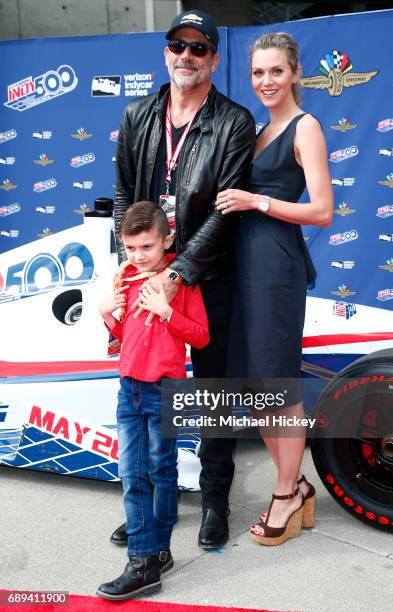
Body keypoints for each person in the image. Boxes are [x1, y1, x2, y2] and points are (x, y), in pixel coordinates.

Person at [111, 9, 256, 550]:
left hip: (207, 276)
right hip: (147, 279)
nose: (187, 57)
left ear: (214, 59)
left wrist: (178, 275)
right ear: (166, 52)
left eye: (199, 48)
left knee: (212, 393)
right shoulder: (137, 115)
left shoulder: (234, 121)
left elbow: (226, 211)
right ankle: (152, 506)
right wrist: (125, 274)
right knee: (153, 396)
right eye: (178, 46)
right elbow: (125, 196)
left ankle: (215, 500)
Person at [215, 32, 333, 545]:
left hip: (276, 270)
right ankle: (298, 485)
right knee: (253, 387)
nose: (266, 81)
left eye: (276, 71)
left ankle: (286, 493)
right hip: (243, 267)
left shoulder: (306, 127)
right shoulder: (262, 128)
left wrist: (257, 201)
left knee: (278, 385)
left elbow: (323, 211)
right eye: (259, 73)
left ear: (295, 73)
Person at [96, 201, 209, 600]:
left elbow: (201, 336)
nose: (139, 256)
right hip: (129, 386)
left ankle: (155, 551)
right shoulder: (124, 278)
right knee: (132, 473)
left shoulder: (182, 282)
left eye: (147, 246)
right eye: (131, 248)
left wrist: (166, 312)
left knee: (161, 469)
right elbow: (124, 337)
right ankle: (146, 556)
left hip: (166, 389)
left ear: (167, 240)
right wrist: (107, 315)